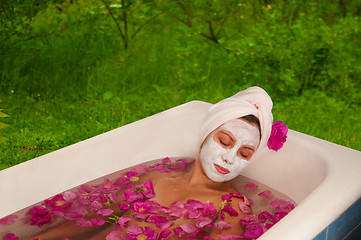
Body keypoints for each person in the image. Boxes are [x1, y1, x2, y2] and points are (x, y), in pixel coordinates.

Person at [28, 86, 275, 239]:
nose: (229, 158)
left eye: (244, 154)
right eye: (224, 140)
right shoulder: (153, 179)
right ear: (204, 138)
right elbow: (90, 221)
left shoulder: (230, 206)